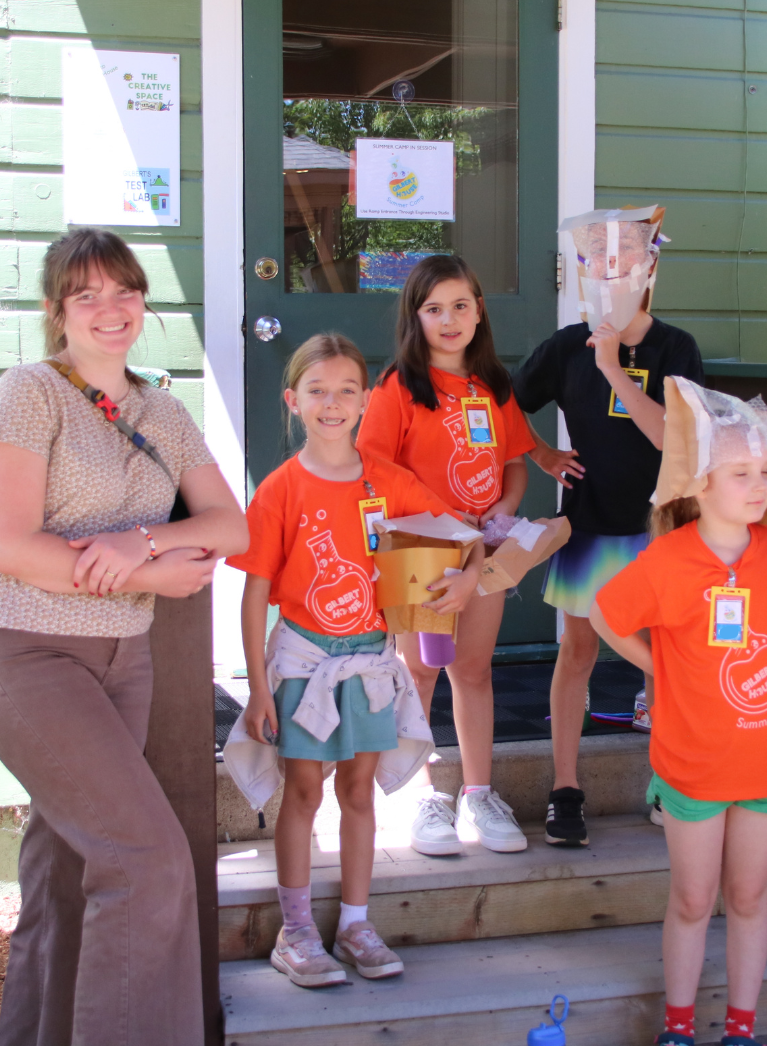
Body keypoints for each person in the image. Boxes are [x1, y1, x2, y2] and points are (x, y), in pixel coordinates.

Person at [0, 227, 248, 1046]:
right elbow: (9, 544)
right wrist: (153, 570)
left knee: (69, 866)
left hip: (126, 661)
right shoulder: (30, 392)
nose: (110, 308)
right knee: (146, 863)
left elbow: (230, 525)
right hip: (32, 654)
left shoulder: (161, 408)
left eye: (125, 290)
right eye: (86, 294)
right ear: (56, 310)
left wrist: (142, 541)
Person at [227, 332, 484, 987]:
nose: (333, 403)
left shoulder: (388, 482)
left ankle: (355, 924)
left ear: (367, 399)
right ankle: (296, 931)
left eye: (347, 390)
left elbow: (463, 535)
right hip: (304, 664)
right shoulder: (281, 489)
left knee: (358, 793)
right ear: (293, 400)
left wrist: (469, 578)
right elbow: (255, 595)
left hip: (370, 666)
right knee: (305, 791)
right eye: (318, 390)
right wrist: (258, 690)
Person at [591, 377, 767, 1046]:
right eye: (740, 473)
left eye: (763, 471)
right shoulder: (669, 559)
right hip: (692, 763)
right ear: (700, 483)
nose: (759, 485)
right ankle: (678, 1029)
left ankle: (741, 1029)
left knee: (748, 898)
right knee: (691, 899)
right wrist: (660, 667)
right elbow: (606, 613)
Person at [513, 206, 704, 847]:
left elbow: (678, 437)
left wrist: (615, 368)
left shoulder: (675, 348)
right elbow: (504, 408)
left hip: (660, 528)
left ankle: (667, 783)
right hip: (589, 524)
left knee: (660, 658)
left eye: (625, 258)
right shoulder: (567, 345)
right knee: (580, 651)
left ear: (649, 267)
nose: (611, 270)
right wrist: (541, 454)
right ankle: (565, 788)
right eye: (597, 259)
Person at [358, 255, 535, 856]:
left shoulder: (494, 385)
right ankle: (425, 798)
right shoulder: (398, 387)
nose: (450, 319)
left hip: (483, 550)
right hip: (420, 552)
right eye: (434, 308)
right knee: (421, 670)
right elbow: (373, 465)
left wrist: (504, 512)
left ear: (479, 311)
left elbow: (513, 460)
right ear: (416, 317)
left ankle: (479, 792)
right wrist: (436, 513)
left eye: (461, 305)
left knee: (474, 669)